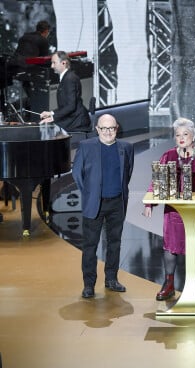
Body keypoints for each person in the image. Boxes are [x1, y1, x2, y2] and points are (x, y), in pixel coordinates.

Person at [143, 118, 195, 300]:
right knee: (171, 247)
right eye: (178, 135)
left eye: (185, 134)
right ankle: (168, 283)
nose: (181, 138)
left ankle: (193, 286)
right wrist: (149, 203)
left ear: (193, 136)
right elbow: (157, 181)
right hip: (174, 212)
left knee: (194, 246)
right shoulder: (168, 156)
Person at [72, 113, 134, 299]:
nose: (108, 132)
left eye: (111, 128)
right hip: (95, 203)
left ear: (116, 129)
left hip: (116, 202)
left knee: (114, 243)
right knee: (90, 245)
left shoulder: (126, 147)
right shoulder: (85, 146)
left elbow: (127, 173)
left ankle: (111, 279)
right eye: (104, 128)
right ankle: (89, 285)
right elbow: (77, 174)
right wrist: (90, 193)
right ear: (97, 129)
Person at [39, 51, 91, 132]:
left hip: (76, 121)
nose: (51, 66)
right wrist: (51, 113)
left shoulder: (70, 78)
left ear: (63, 63)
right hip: (72, 118)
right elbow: (66, 106)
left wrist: (53, 117)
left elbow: (71, 106)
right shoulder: (66, 77)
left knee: (48, 129)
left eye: (54, 63)